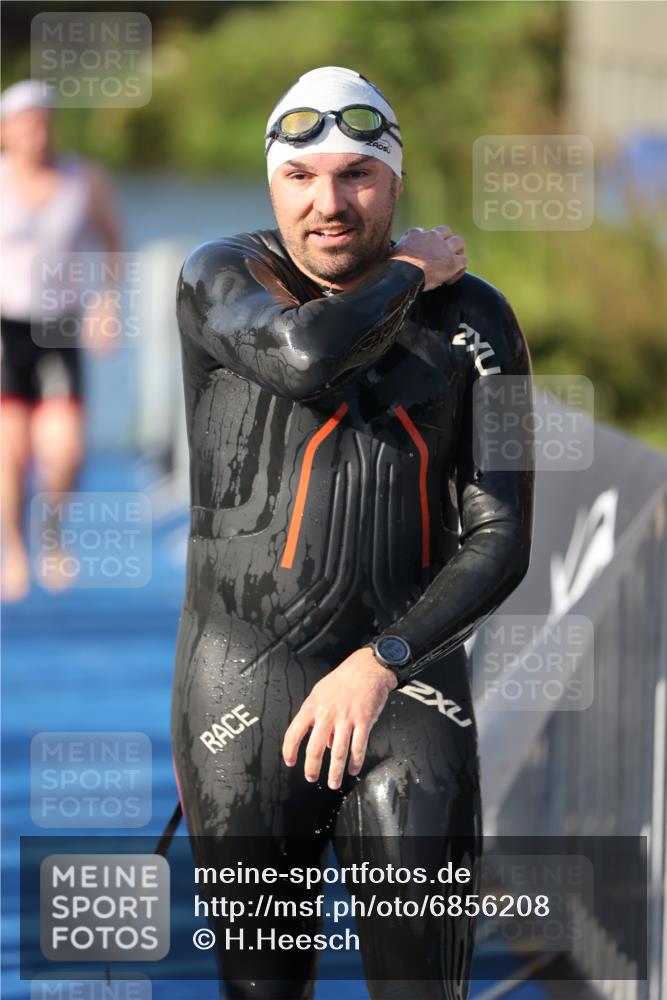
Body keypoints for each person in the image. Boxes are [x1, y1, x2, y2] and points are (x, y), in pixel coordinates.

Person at [172, 66, 534, 999]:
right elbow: (302, 358)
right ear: (269, 185)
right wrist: (411, 269)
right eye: (301, 177)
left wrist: (383, 661)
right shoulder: (220, 277)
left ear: (395, 181)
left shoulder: (479, 320)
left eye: (356, 176)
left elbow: (501, 536)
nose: (328, 204)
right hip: (244, 687)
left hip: (408, 682)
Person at [0, 79, 121, 601]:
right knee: (12, 447)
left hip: (60, 325)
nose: (37, 131)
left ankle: (49, 531)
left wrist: (106, 303)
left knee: (66, 447)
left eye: (44, 120)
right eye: (25, 122)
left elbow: (113, 244)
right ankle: (13, 546)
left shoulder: (82, 179)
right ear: (6, 131)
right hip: (6, 325)